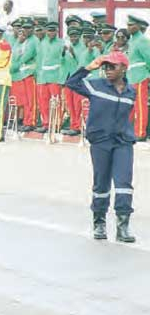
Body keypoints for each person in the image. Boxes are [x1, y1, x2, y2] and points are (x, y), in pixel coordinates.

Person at [65, 51, 136, 242]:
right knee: (101, 183)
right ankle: (99, 223)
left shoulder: (132, 91)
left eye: (112, 66)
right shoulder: (95, 86)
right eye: (105, 67)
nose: (107, 70)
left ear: (123, 68)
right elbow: (71, 83)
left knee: (124, 183)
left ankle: (123, 226)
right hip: (101, 142)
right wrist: (90, 67)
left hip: (123, 142)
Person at [125, 15, 150, 141]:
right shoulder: (132, 41)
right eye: (128, 24)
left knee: (140, 106)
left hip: (140, 76)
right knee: (130, 106)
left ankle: (140, 133)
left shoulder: (143, 41)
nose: (128, 27)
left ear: (139, 27)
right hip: (130, 77)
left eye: (131, 25)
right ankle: (129, 131)